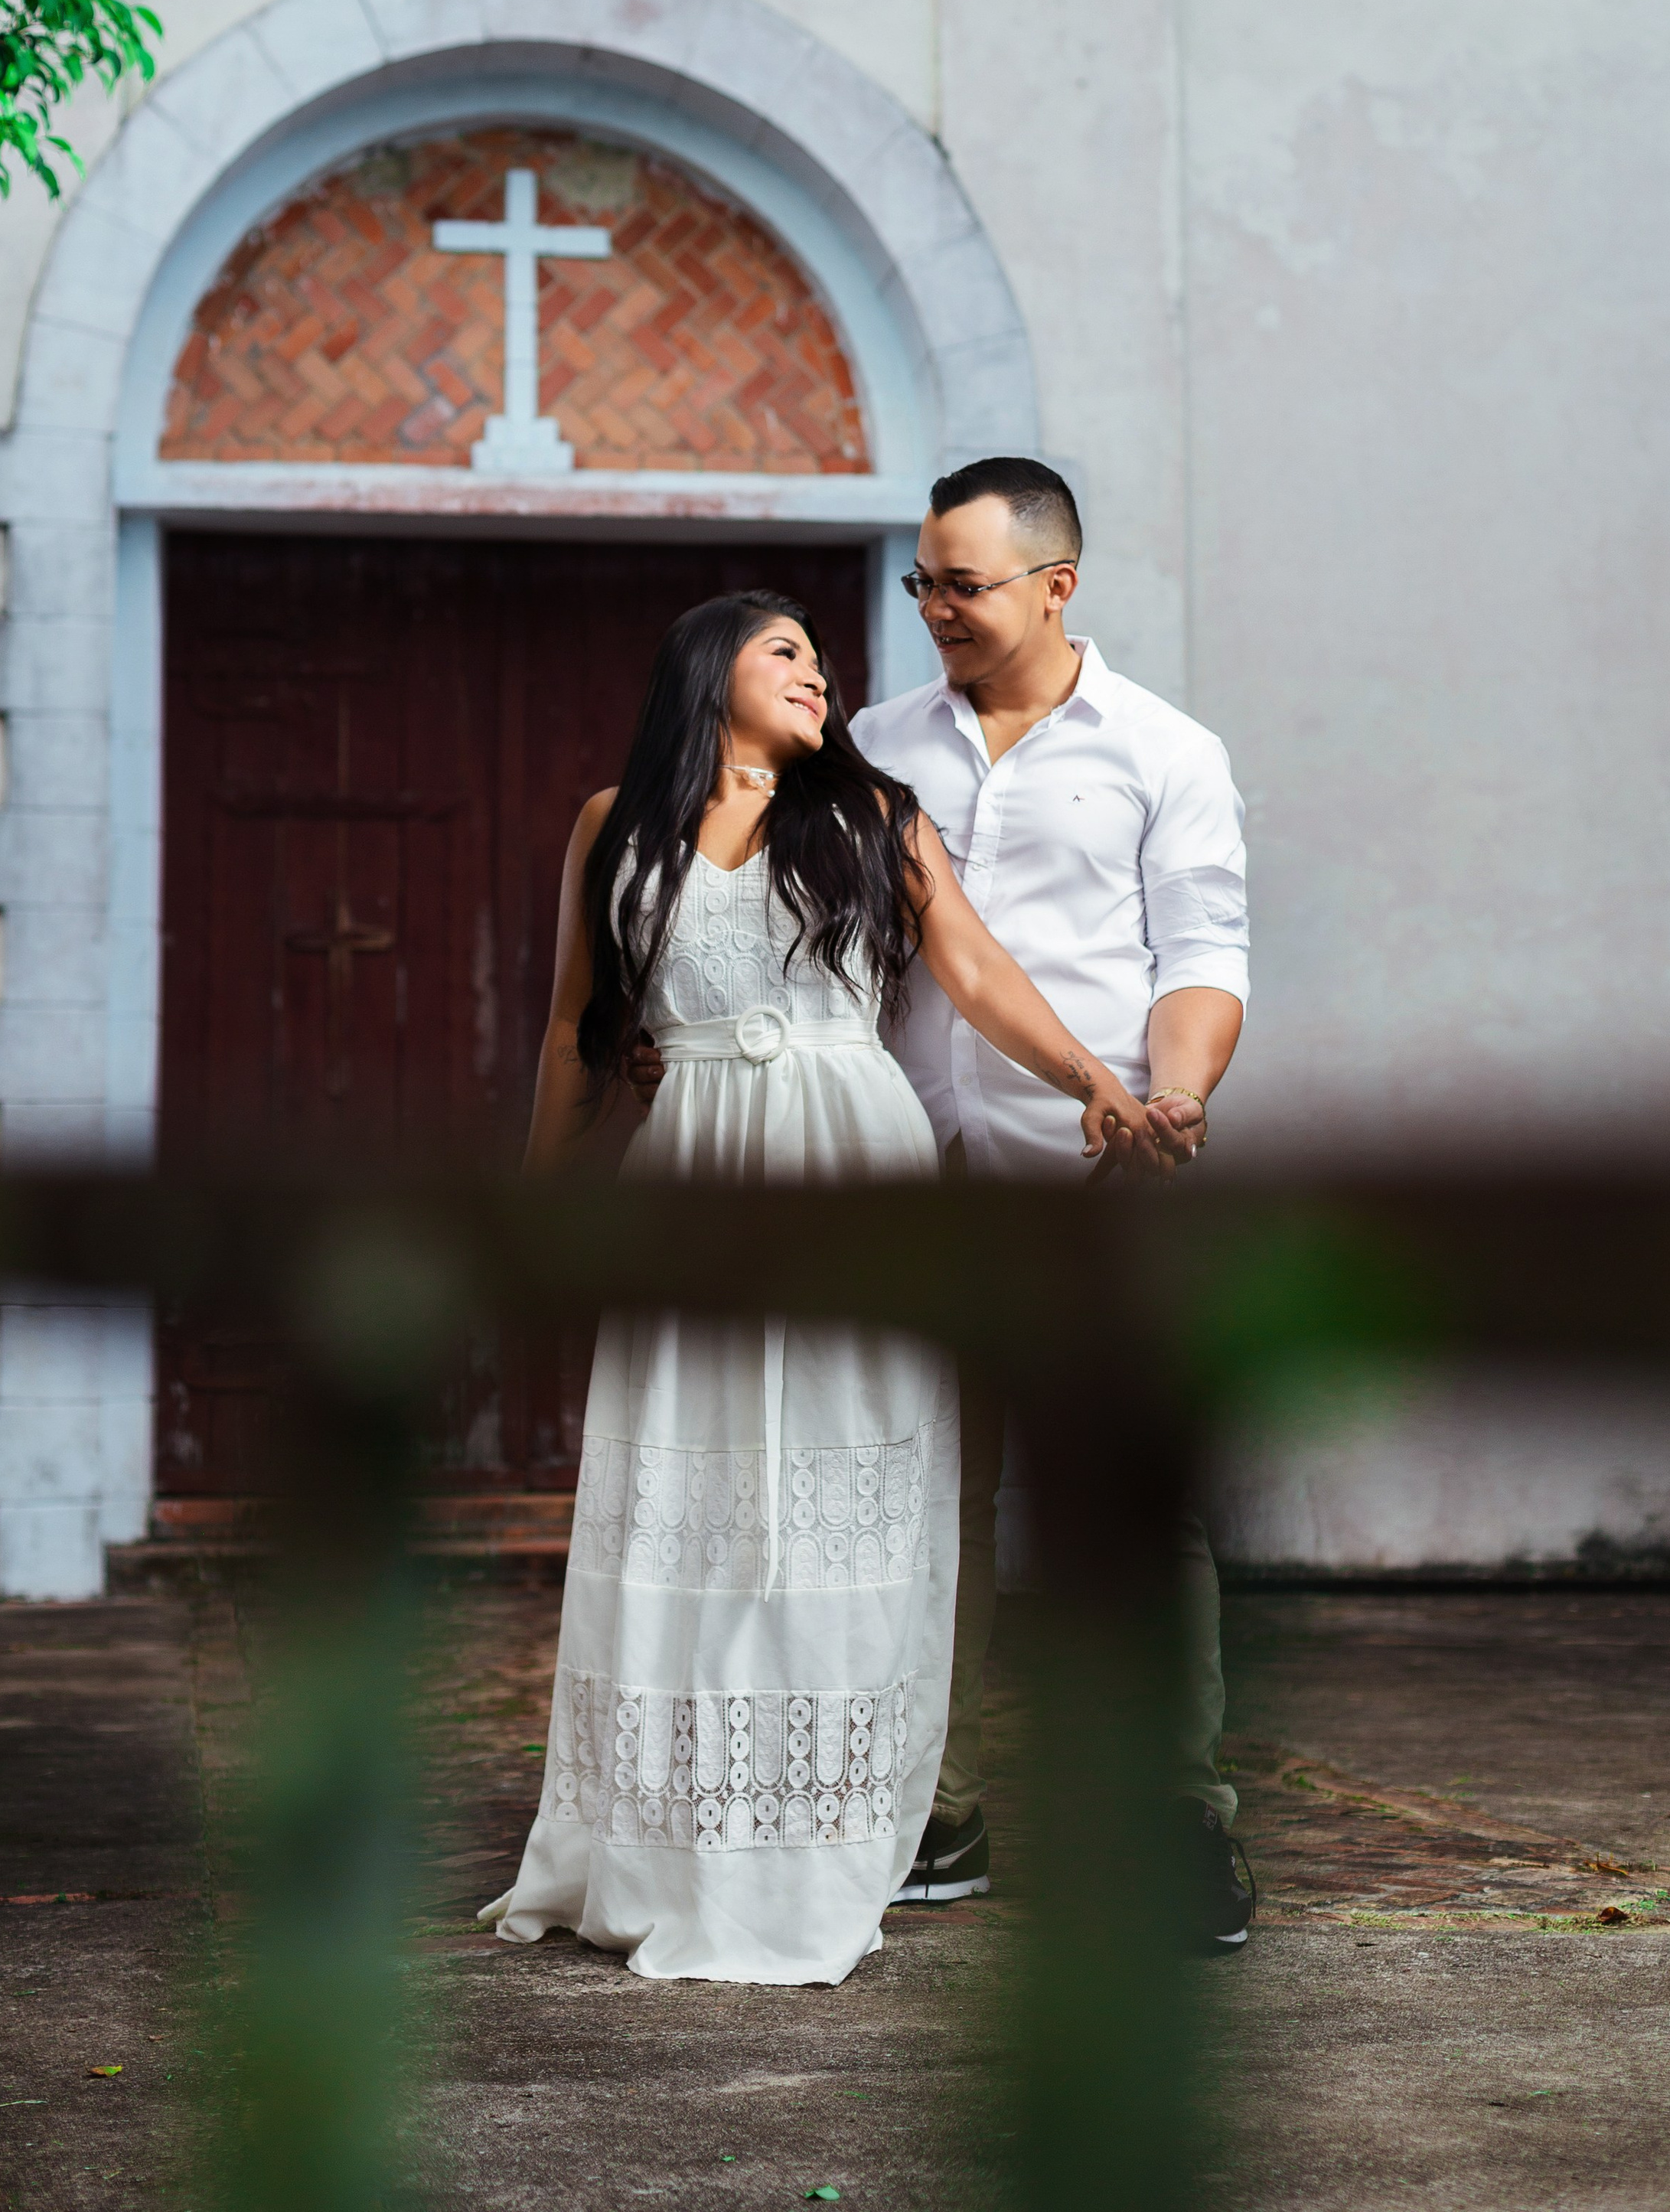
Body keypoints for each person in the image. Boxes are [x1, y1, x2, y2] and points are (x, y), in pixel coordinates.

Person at [484, 589, 1149, 1985]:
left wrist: (1099, 1081)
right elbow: (572, 1030)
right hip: (695, 1166)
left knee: (838, 1498)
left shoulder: (873, 810)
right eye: (785, 648)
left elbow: (970, 969)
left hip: (851, 1157)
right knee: (700, 1495)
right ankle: (679, 1838)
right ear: (706, 665)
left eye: (820, 657)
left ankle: (822, 1835)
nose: (818, 671)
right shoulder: (613, 823)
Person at [852, 457, 1255, 1951]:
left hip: (1096, 1172)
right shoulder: (872, 745)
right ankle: (935, 1813)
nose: (936, 608)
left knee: (1134, 1513)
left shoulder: (1164, 749)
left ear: (1053, 583)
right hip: (907, 1172)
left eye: (962, 582)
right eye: (923, 583)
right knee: (921, 1505)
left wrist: (1179, 1094)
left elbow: (1201, 950)